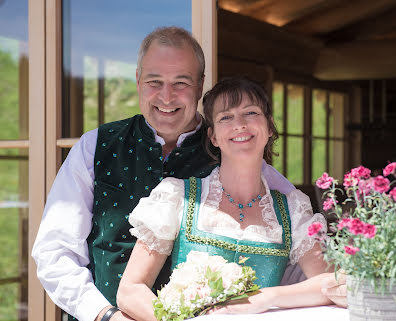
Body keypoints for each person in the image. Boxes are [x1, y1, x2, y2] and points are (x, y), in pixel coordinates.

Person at [31, 27, 307, 321]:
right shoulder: (95, 146)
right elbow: (55, 253)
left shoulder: (234, 147)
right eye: (154, 81)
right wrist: (104, 315)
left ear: (200, 86)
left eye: (180, 82)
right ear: (138, 80)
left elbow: (294, 236)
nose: (166, 96)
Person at [116, 77, 346, 321]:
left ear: (269, 127)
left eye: (250, 112)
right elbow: (130, 291)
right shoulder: (178, 198)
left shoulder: (292, 210)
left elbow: (331, 284)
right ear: (213, 137)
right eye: (226, 117)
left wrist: (268, 297)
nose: (240, 124)